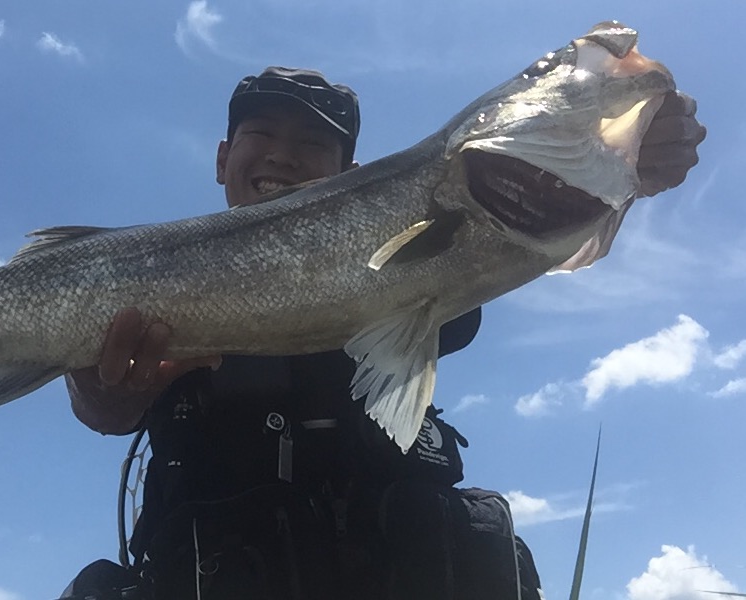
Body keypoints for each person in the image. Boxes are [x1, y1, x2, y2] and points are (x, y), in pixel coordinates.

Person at [59, 67, 705, 600]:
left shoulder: (416, 271)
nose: (284, 153)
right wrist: (103, 388)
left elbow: (512, 225)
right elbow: (105, 408)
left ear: (352, 171)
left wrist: (621, 163)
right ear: (224, 156)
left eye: (314, 143)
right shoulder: (155, 284)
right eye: (262, 131)